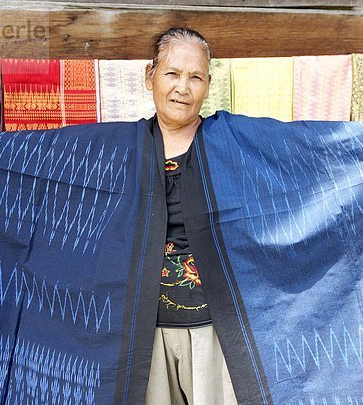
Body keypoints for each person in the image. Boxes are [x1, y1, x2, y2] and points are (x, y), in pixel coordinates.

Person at [143, 27, 238, 405]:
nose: (183, 87)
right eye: (172, 74)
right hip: (147, 331)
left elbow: (302, 149)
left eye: (195, 77)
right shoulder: (124, 150)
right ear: (149, 76)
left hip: (215, 329)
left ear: (208, 84)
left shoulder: (229, 141)